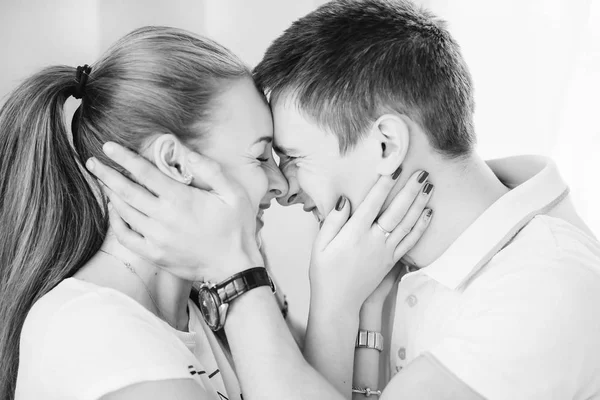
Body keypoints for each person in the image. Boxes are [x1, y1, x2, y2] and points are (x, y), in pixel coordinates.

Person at [94, 0, 600, 399]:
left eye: (293, 157)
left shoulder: (544, 289)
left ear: (386, 145)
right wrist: (337, 307)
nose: (285, 188)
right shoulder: (387, 261)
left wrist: (235, 272)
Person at [0, 25, 431, 400]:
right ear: (175, 164)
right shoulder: (91, 329)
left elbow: (304, 387)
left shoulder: (205, 306)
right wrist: (238, 274)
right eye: (260, 157)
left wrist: (344, 301)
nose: (280, 186)